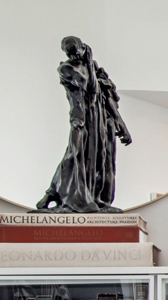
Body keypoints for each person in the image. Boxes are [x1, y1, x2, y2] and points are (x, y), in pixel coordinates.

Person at [37, 36, 133, 212]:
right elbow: (90, 88)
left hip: (98, 119)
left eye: (76, 52)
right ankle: (53, 194)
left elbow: (105, 96)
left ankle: (94, 197)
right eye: (69, 53)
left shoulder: (94, 68)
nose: (73, 56)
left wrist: (120, 122)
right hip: (81, 119)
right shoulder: (66, 68)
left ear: (83, 48)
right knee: (76, 154)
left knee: (97, 159)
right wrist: (88, 63)